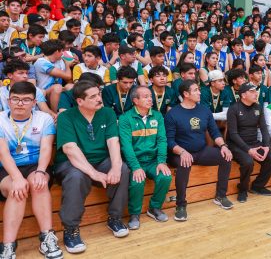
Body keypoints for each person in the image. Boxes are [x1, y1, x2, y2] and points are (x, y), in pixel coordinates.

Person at [54, 81, 130, 253]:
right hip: (71, 164)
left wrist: (116, 166)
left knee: (123, 169)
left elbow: (113, 142)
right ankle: (71, 229)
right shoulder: (67, 117)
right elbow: (70, 149)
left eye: (99, 94)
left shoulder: (107, 113)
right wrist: (94, 173)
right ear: (80, 101)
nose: (99, 99)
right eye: (93, 96)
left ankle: (115, 218)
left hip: (101, 160)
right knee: (76, 176)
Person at [0, 82, 62, 259]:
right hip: (7, 167)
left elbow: (45, 149)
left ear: (34, 102)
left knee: (38, 184)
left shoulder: (44, 118)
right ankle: (8, 246)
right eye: (16, 99)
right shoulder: (0, 119)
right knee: (16, 189)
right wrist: (17, 178)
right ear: (8, 100)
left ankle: (47, 237)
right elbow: (3, 153)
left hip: (36, 165)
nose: (20, 103)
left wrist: (42, 171)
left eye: (26, 100)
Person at [165, 80, 233, 222]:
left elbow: (215, 133)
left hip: (201, 151)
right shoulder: (173, 114)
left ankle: (221, 195)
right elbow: (169, 141)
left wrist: (223, 146)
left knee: (226, 157)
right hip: (179, 153)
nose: (199, 92)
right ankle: (180, 205)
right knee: (184, 164)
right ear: (185, 94)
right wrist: (182, 152)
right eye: (196, 90)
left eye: (199, 89)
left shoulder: (204, 110)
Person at [119, 86, 172, 230]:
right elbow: (126, 146)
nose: (150, 99)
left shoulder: (158, 115)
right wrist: (135, 167)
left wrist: (161, 161)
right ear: (135, 100)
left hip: (153, 160)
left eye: (150, 96)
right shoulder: (125, 119)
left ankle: (154, 208)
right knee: (137, 181)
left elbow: (162, 140)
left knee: (165, 176)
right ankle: (134, 214)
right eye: (145, 97)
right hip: (135, 161)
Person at [227, 83, 271, 203]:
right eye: (252, 91)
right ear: (243, 95)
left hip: (253, 142)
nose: (256, 94)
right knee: (248, 162)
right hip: (236, 144)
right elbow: (233, 134)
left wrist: (266, 146)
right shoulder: (234, 109)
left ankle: (257, 186)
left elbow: (264, 128)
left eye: (256, 91)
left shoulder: (258, 107)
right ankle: (242, 189)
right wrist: (248, 150)